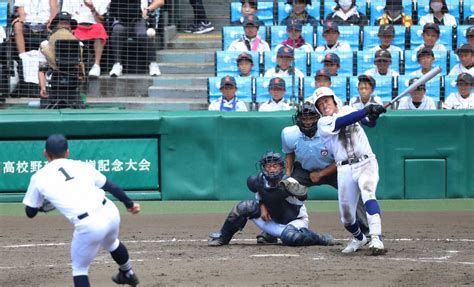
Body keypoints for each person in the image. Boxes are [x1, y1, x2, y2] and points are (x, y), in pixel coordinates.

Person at [22, 134, 141, 287]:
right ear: (67, 152)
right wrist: (129, 204)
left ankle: (127, 274)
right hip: (110, 212)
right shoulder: (82, 165)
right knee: (112, 243)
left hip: (89, 224)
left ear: (45, 153)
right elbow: (111, 187)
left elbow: (29, 212)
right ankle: (128, 273)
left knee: (79, 268)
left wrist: (39, 207)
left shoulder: (38, 178)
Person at [313, 86, 387, 255]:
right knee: (346, 217)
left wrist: (373, 115)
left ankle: (376, 238)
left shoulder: (348, 109)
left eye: (326, 100)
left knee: (368, 192)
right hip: (344, 168)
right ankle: (360, 238)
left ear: (333, 99)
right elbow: (342, 122)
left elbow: (368, 123)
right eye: (320, 104)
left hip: (366, 162)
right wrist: (366, 110)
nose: (324, 105)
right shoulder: (323, 123)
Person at [208, 151, 334, 247]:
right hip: (270, 219)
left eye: (275, 166)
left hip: (293, 222)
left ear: (281, 167)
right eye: (268, 166)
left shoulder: (290, 183)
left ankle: (320, 239)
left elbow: (302, 197)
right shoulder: (258, 180)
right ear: (263, 168)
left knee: (290, 238)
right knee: (244, 207)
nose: (272, 169)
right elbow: (261, 194)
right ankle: (223, 237)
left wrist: (295, 190)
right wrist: (262, 206)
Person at [38, 12, 85, 109]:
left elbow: (81, 66)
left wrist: (80, 76)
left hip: (72, 85)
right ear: (56, 25)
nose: (64, 26)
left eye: (67, 23)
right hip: (53, 84)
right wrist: (43, 87)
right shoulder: (45, 45)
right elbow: (42, 69)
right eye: (61, 23)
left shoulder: (79, 45)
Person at [108, 0, 164, 77]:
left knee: (142, 34)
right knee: (117, 30)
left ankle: (153, 64)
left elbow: (160, 1)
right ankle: (117, 64)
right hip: (121, 19)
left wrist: (147, 9)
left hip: (140, 19)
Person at [61, 0, 110, 77]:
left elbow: (101, 21)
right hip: (76, 25)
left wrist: (92, 8)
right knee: (67, 32)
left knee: (100, 29)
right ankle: (74, 66)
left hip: (93, 25)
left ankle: (96, 65)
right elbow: (65, 17)